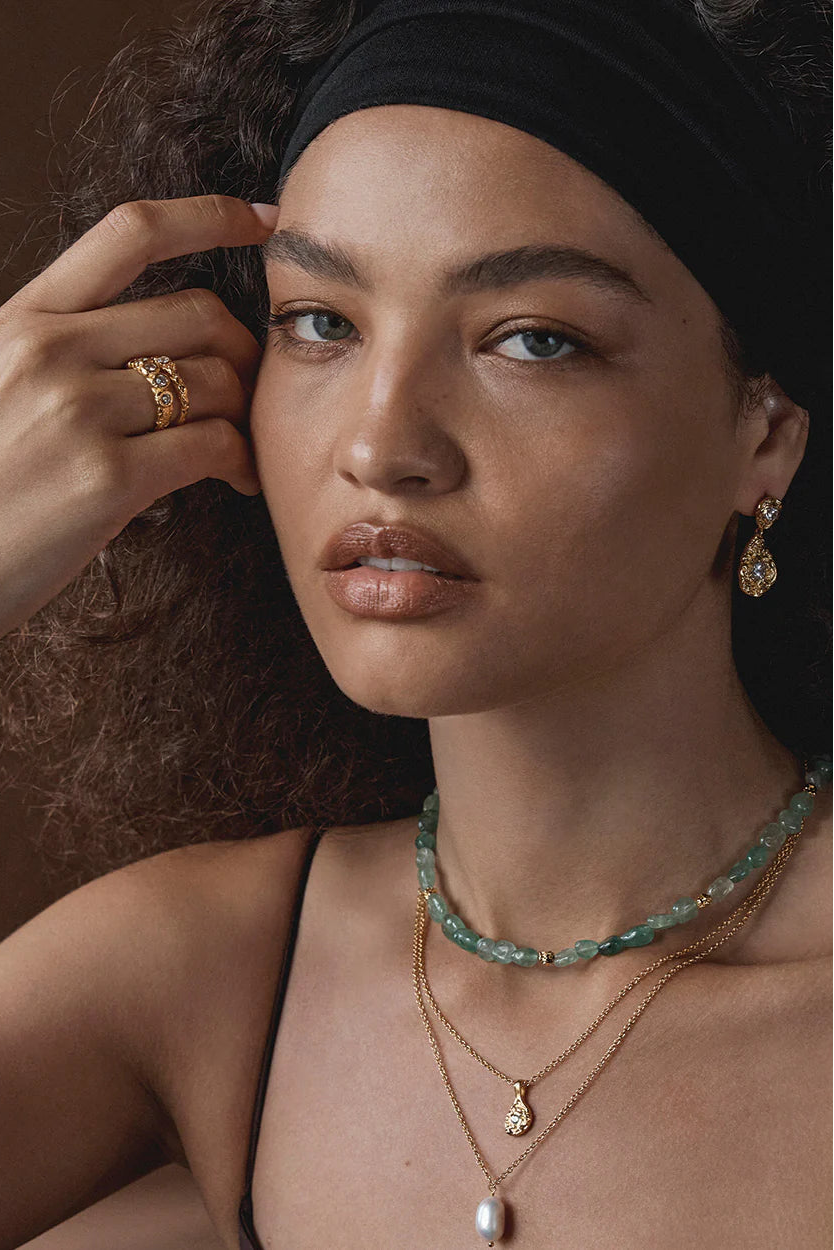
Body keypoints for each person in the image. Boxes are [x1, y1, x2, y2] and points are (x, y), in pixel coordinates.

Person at [0, 0, 831, 1247]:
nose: (383, 444)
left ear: (764, 436)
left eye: (533, 339)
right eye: (320, 323)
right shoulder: (207, 974)